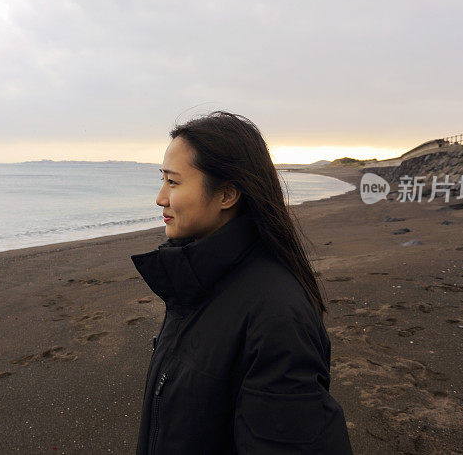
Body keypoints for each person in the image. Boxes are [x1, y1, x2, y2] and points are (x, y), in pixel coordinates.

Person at [130, 111, 353, 454]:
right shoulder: (196, 280)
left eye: (173, 182)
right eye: (162, 180)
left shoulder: (275, 315)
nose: (160, 198)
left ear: (227, 195)